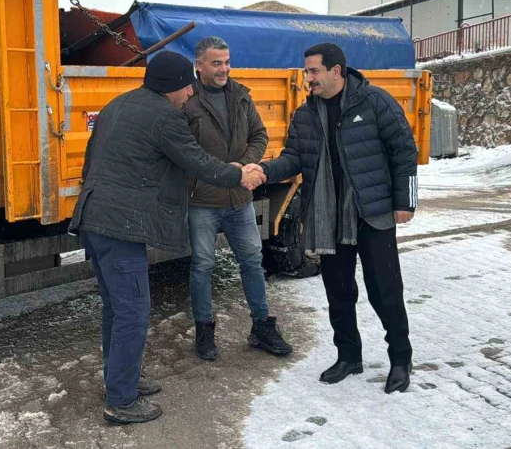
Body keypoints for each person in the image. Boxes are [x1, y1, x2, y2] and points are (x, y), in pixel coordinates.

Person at [68, 50, 266, 424]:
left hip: (95, 217)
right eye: (187, 86)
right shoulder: (166, 116)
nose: (190, 93)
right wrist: (239, 175)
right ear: (173, 86)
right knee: (132, 311)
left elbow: (92, 161)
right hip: (120, 226)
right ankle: (121, 401)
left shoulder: (117, 105)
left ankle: (121, 379)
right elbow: (197, 162)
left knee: (116, 308)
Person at [246, 43, 418, 394]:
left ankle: (401, 359)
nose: (308, 78)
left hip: (372, 212)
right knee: (338, 291)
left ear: (336, 71)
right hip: (328, 216)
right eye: (307, 71)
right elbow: (294, 158)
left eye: (313, 71)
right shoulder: (306, 114)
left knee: (385, 291)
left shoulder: (375, 102)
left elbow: (404, 152)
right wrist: (263, 170)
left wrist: (406, 202)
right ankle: (348, 356)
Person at [182, 37, 292, 361]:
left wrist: (243, 167)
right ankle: (204, 330)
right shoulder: (187, 101)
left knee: (252, 261)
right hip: (202, 199)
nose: (224, 69)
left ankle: (262, 326)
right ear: (199, 65)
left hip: (239, 197)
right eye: (216, 63)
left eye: (227, 62)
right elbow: (186, 151)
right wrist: (226, 172)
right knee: (203, 265)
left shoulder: (241, 95)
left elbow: (259, 136)